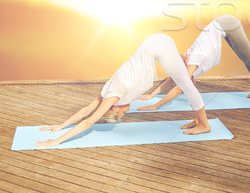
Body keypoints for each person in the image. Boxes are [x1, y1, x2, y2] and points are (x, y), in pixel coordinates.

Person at [35, 33, 211, 147]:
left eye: (121, 114)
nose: (126, 112)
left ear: (114, 108)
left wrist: (56, 141)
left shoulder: (113, 97)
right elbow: (85, 110)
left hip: (157, 47)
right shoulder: (106, 91)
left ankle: (204, 124)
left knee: (186, 84)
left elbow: (88, 120)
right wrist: (59, 126)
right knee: (185, 80)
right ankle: (197, 117)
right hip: (155, 43)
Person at [137, 15, 250, 111]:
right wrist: (151, 95)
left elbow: (180, 87)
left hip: (227, 24)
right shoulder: (187, 59)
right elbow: (173, 79)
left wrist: (156, 105)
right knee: (245, 60)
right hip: (220, 26)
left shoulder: (194, 58)